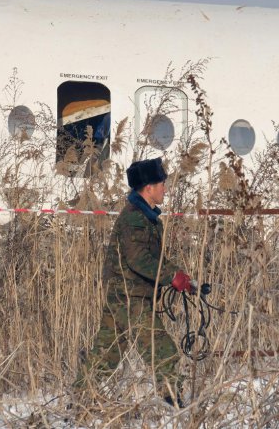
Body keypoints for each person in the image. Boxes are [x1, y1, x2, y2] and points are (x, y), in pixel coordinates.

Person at [80, 158, 193, 406]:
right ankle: (172, 404)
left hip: (123, 295)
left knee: (107, 354)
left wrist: (180, 276)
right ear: (148, 188)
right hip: (129, 296)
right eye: (161, 183)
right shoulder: (135, 218)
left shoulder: (147, 217)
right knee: (163, 351)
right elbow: (138, 259)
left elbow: (155, 258)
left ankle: (79, 400)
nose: (165, 187)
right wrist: (170, 277)